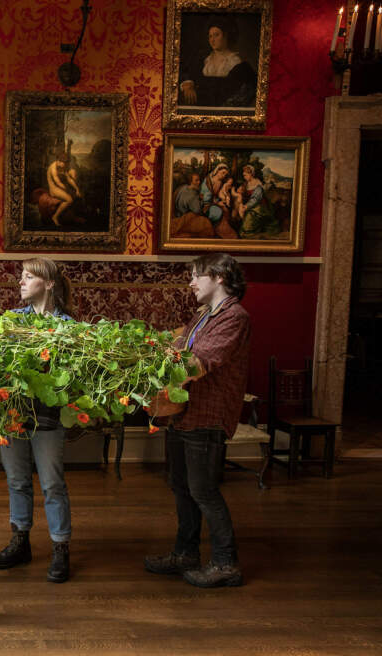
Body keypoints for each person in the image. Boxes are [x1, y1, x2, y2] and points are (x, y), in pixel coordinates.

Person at [145, 253, 250, 588]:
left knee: (203, 490)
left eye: (196, 275)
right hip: (182, 413)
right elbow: (178, 345)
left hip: (208, 414)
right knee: (181, 487)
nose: (191, 282)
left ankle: (225, 564)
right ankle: (185, 553)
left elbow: (200, 361)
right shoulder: (203, 314)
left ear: (219, 276)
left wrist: (154, 368)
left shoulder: (234, 317)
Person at [0, 258, 75, 583]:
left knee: (52, 484)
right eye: (21, 277)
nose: (21, 283)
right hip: (12, 413)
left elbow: (69, 377)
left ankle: (60, 548)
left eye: (29, 277)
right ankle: (20, 540)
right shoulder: (10, 321)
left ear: (49, 283)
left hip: (49, 416)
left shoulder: (67, 326)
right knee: (17, 481)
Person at [179, 16, 257, 109]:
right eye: (210, 36)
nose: (212, 40)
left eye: (216, 35)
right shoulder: (204, 60)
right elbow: (186, 73)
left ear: (226, 36)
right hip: (199, 110)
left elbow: (250, 90)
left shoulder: (237, 63)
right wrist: (188, 84)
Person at [236, 163, 279, 238]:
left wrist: (245, 207)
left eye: (245, 175)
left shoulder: (257, 185)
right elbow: (240, 192)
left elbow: (255, 199)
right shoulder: (246, 183)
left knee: (248, 223)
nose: (244, 177)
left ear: (251, 174)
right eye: (243, 175)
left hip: (259, 207)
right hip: (249, 206)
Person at [45, 140, 82, 226]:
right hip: (54, 189)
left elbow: (69, 179)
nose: (64, 165)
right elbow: (57, 182)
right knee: (69, 199)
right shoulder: (53, 168)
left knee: (77, 194)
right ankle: (55, 217)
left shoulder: (62, 167)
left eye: (65, 163)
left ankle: (73, 216)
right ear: (58, 160)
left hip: (60, 187)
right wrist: (67, 189)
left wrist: (77, 189)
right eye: (62, 162)